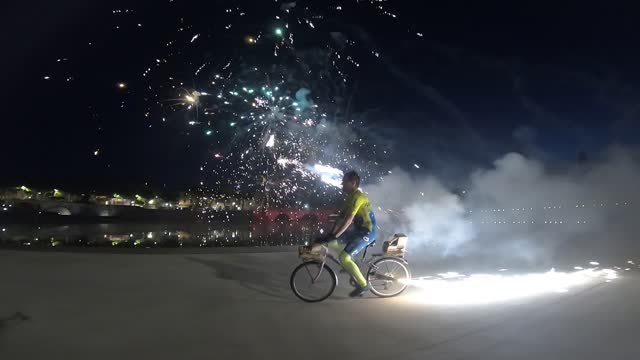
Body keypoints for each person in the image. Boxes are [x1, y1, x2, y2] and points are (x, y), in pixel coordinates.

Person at [320, 170, 376, 297]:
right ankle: (352, 263)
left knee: (343, 258)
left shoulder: (358, 197)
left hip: (368, 232)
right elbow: (341, 217)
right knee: (333, 242)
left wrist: (336, 234)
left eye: (344, 182)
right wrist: (331, 234)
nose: (342, 185)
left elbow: (348, 219)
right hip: (359, 231)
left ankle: (363, 285)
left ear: (353, 183)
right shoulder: (350, 197)